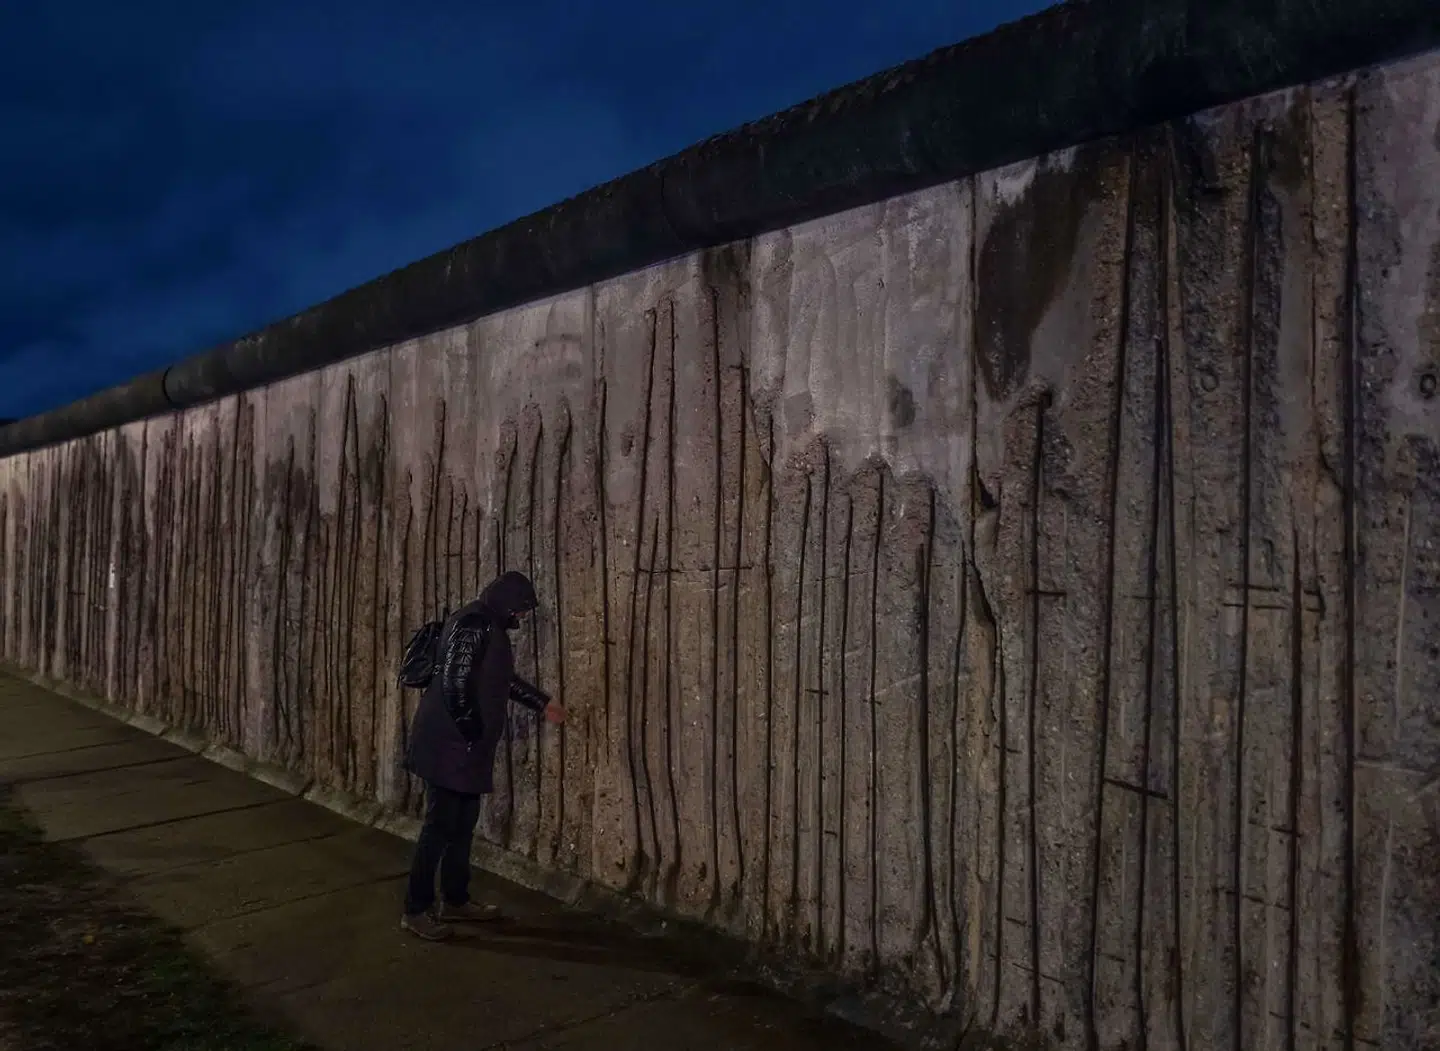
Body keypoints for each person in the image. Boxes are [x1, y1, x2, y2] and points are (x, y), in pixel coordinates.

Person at [400, 570, 565, 941]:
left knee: (461, 827)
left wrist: (541, 703)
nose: (522, 617)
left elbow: (497, 679)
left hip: (463, 748)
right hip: (450, 745)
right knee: (439, 828)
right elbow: (455, 684)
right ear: (507, 602)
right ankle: (416, 909)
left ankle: (455, 900)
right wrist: (472, 732)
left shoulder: (488, 626)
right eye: (521, 610)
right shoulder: (474, 623)